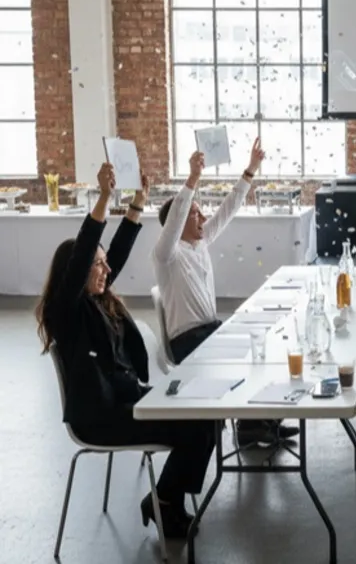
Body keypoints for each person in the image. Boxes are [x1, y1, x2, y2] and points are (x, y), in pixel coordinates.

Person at [37, 162, 216, 539]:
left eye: (105, 265)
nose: (106, 270)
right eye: (97, 265)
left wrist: (137, 204)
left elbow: (114, 253)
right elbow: (85, 253)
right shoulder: (67, 311)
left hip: (127, 399)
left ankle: (166, 500)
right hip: (101, 416)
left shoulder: (97, 298)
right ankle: (165, 502)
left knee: (206, 416)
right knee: (199, 427)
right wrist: (104, 197)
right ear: (76, 271)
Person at [153, 138, 296, 446]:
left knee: (262, 344)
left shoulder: (200, 243)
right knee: (248, 354)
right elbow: (176, 215)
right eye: (196, 213)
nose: (203, 218)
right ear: (178, 223)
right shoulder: (167, 254)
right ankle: (251, 426)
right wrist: (193, 178)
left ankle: (261, 420)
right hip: (188, 341)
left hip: (209, 331)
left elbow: (227, 210)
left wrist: (250, 170)